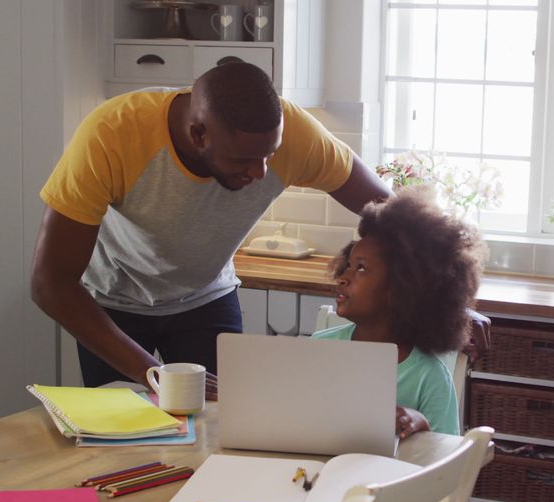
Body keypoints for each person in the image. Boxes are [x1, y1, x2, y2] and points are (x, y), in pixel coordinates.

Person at [31, 62, 396, 393]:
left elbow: (394, 216)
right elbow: (50, 284)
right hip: (114, 302)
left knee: (221, 432)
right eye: (244, 160)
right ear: (199, 134)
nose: (260, 172)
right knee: (121, 448)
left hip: (206, 298)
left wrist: (438, 293)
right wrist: (154, 374)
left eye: (270, 155)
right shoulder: (112, 133)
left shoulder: (294, 132)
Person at [311, 193, 487, 437]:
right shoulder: (319, 348)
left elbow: (446, 461)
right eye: (349, 265)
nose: (343, 276)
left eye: (361, 268)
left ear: (401, 287)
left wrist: (422, 425)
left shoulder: (429, 376)